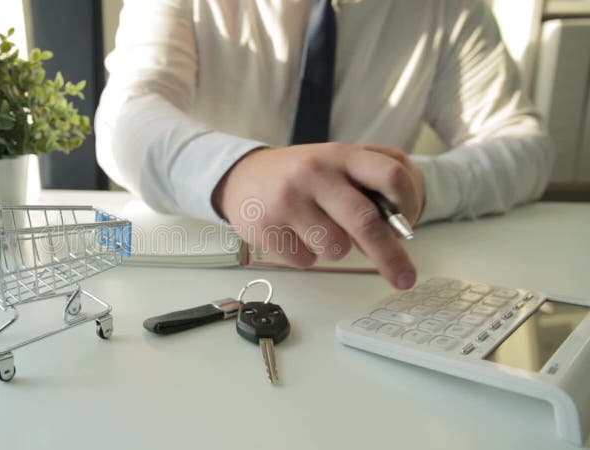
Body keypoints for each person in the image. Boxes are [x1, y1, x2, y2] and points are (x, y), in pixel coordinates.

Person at [94, 0, 553, 290]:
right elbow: (125, 117)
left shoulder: (447, 9)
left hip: (364, 294)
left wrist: (420, 184)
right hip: (198, 279)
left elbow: (523, 144)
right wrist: (234, 172)